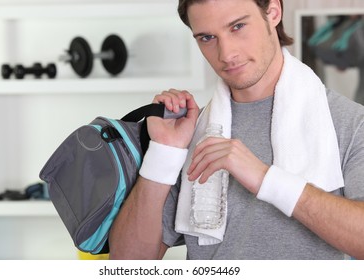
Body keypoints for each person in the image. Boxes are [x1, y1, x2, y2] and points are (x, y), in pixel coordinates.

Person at [109, 0, 364, 259]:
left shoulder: (351, 123)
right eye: (207, 37)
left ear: (273, 12)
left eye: (238, 26)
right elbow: (127, 264)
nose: (226, 54)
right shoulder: (189, 133)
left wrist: (265, 178)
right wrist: (163, 152)